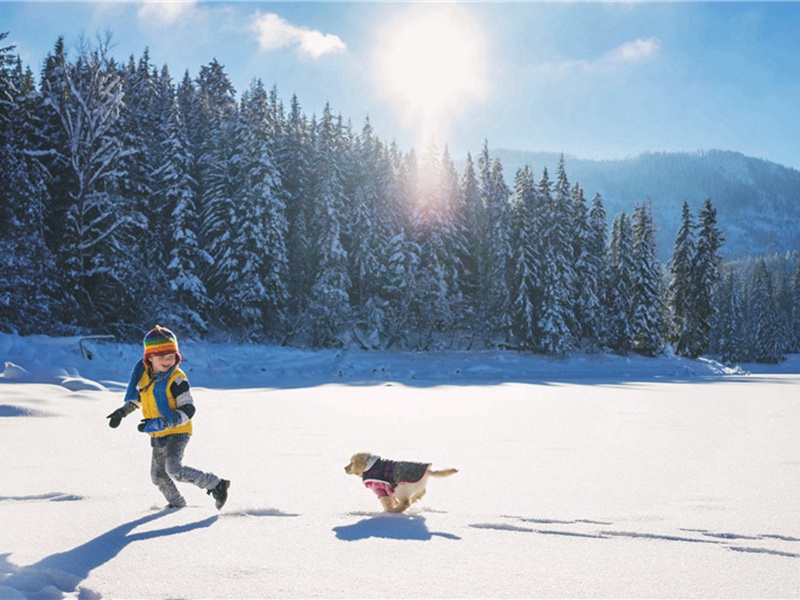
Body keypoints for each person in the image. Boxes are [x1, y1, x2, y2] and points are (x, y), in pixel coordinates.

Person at [106, 325, 230, 510]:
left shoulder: (176, 378)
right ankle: (177, 505)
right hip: (158, 433)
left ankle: (216, 484)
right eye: (162, 356)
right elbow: (142, 399)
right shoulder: (145, 377)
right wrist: (122, 412)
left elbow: (188, 409)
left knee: (174, 469)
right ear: (149, 358)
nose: (167, 360)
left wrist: (166, 422)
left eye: (171, 356)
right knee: (158, 476)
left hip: (178, 431)